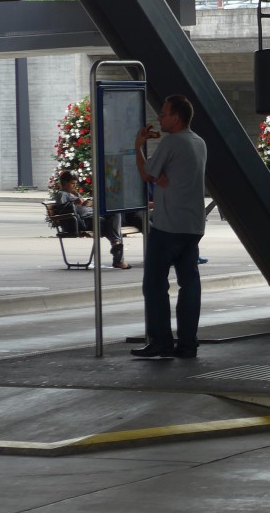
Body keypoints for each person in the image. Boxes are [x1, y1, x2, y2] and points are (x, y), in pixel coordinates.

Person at [130, 94, 208, 360]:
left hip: (167, 226)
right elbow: (166, 174)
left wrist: (138, 146)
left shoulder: (171, 142)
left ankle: (161, 342)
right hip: (193, 225)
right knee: (189, 284)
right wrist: (162, 175)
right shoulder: (198, 142)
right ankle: (188, 344)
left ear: (175, 118)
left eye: (163, 114)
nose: (159, 118)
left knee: (154, 285)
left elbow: (146, 173)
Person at [54, 170, 131, 269]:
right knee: (114, 228)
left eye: (75, 184)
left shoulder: (73, 193)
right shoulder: (62, 194)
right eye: (72, 183)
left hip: (92, 217)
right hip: (85, 221)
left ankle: (116, 245)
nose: (74, 186)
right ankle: (118, 259)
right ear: (64, 183)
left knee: (115, 215)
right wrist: (75, 203)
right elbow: (62, 209)